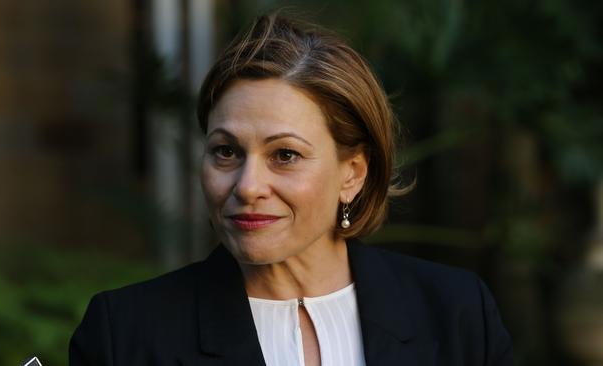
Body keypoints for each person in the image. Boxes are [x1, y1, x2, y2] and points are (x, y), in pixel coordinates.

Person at [69, 12, 513, 366]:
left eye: (285, 155)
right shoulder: (125, 332)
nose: (248, 186)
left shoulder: (455, 311)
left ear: (352, 173)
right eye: (226, 152)